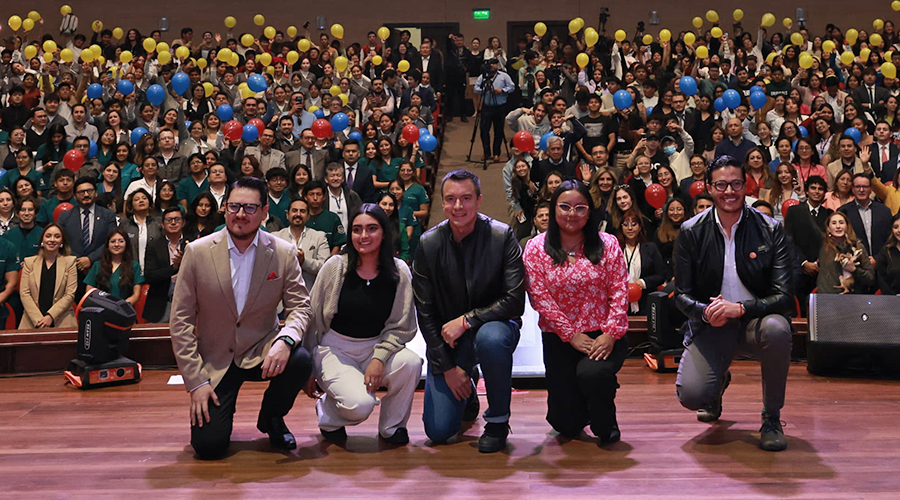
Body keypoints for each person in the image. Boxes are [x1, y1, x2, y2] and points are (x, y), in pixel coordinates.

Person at [170, 177, 314, 460]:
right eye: (234, 206)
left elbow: (301, 307)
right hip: (216, 358)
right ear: (224, 209)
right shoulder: (197, 252)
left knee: (300, 359)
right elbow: (181, 321)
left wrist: (285, 340)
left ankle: (272, 417)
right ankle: (222, 405)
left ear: (264, 213)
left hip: (263, 350)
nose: (240, 214)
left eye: (250, 207)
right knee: (208, 447)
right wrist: (196, 383)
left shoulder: (283, 253)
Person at [674, 155, 794, 452]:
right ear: (709, 188)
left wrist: (740, 308)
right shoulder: (691, 231)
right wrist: (704, 313)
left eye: (736, 183)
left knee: (779, 329)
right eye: (721, 184)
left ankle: (771, 418)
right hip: (713, 325)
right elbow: (681, 294)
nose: (729, 191)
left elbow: (784, 295)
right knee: (692, 395)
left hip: (756, 323)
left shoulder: (770, 229)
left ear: (746, 185)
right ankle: (716, 384)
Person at [413, 169, 526, 453]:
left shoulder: (502, 236)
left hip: (493, 329)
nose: (458, 206)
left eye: (466, 198)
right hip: (448, 343)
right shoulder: (428, 243)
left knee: (490, 337)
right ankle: (468, 388)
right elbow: (425, 314)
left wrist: (466, 321)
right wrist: (448, 368)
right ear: (442, 202)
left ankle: (498, 421)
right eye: (450, 199)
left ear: (479, 200)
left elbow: (515, 300)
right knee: (439, 432)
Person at [304, 204, 422, 445]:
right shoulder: (335, 267)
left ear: (384, 233)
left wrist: (379, 358)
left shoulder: (399, 272)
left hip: (376, 345)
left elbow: (403, 327)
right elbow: (312, 318)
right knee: (360, 405)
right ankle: (328, 414)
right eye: (357, 230)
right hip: (335, 348)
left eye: (371, 229)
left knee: (411, 363)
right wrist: (308, 367)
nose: (364, 236)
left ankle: (392, 426)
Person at [522, 180, 629, 442]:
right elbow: (539, 297)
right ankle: (586, 400)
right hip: (560, 338)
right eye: (565, 207)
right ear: (554, 208)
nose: (572, 214)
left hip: (603, 335)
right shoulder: (535, 248)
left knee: (593, 374)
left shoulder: (609, 244)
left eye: (580, 208)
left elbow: (619, 291)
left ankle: (605, 414)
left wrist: (610, 334)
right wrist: (570, 335)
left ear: (590, 212)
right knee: (565, 424)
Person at [57, 177, 119, 294]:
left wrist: (90, 259)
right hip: (72, 270)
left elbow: (111, 241)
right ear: (75, 196)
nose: (86, 194)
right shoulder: (65, 217)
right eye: (81, 192)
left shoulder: (108, 215)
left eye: (89, 191)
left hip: (100, 269)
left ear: (95, 193)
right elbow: (61, 242)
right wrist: (78, 261)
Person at [19, 223, 77, 329]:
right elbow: (24, 293)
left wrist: (50, 316)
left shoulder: (70, 262)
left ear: (62, 242)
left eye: (57, 236)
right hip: (32, 321)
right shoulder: (29, 262)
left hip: (62, 320)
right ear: (42, 240)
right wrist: (39, 320)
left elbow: (69, 294)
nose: (52, 239)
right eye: (48, 236)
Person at [272, 198, 331, 290]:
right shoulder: (275, 238)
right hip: (281, 295)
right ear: (287, 215)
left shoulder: (319, 237)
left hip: (310, 294)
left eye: (302, 211)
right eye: (294, 211)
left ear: (308, 216)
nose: (298, 214)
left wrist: (304, 262)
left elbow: (325, 267)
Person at [142, 207, 186, 323]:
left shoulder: (192, 244)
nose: (173, 223)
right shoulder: (154, 245)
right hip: (160, 304)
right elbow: (150, 275)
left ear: (183, 222)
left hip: (187, 304)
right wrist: (173, 268)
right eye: (169, 220)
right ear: (162, 224)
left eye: (177, 219)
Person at [816, 211, 874, 294]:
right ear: (828, 228)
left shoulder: (857, 246)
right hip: (829, 297)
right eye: (834, 223)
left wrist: (854, 270)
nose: (838, 226)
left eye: (841, 223)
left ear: (847, 226)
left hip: (855, 299)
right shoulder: (823, 246)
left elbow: (870, 278)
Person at [839, 174, 892, 262]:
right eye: (858, 186)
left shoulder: (884, 211)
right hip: (855, 265)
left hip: (881, 264)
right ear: (852, 189)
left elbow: (889, 239)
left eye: (865, 187)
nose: (861, 190)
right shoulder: (844, 211)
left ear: (870, 189)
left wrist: (877, 259)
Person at [84, 229, 144, 305]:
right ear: (107, 245)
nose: (116, 244)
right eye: (113, 241)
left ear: (126, 244)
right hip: (101, 310)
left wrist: (120, 307)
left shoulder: (134, 266)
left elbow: (136, 295)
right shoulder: (97, 265)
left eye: (121, 241)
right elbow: (89, 292)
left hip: (124, 311)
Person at [474, 58, 516, 163]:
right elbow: (476, 89)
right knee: (484, 130)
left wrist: (502, 90)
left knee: (499, 130)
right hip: (486, 106)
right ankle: (486, 152)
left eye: (494, 64)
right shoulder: (483, 76)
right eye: (490, 64)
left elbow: (512, 87)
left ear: (497, 65)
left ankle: (496, 153)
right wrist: (485, 90)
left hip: (499, 106)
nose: (492, 66)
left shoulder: (504, 76)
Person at [875, 213, 900, 295]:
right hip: (892, 300)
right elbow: (882, 280)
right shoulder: (885, 252)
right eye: (895, 227)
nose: (899, 230)